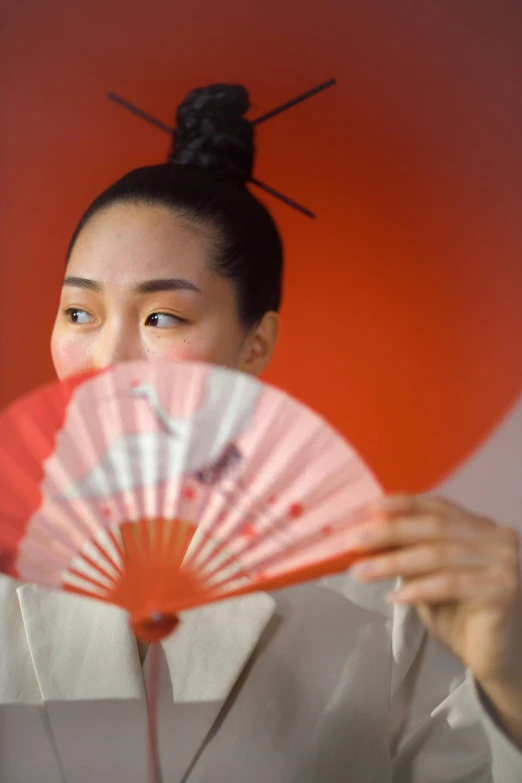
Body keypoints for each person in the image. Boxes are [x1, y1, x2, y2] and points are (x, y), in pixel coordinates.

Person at [0, 84, 521, 783]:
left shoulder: (389, 595)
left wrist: (512, 687)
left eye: (162, 318)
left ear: (255, 341)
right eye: (79, 311)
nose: (107, 361)